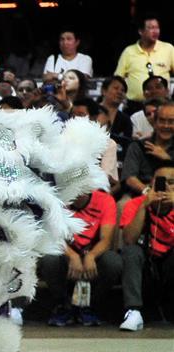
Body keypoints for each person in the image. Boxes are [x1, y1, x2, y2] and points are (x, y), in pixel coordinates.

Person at [39, 189, 121, 326]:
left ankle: (89, 306)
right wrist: (72, 255)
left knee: (113, 262)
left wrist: (91, 256)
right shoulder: (55, 200)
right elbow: (53, 238)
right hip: (66, 254)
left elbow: (106, 240)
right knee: (49, 258)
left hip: (93, 255)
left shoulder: (105, 200)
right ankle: (63, 305)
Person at [118, 161, 174, 330]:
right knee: (131, 251)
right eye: (161, 181)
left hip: (170, 267)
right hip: (145, 269)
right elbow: (129, 239)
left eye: (172, 182)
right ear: (152, 184)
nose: (166, 186)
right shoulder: (136, 204)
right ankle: (134, 312)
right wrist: (144, 206)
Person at [115, 15, 174, 109]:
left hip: (163, 105)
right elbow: (118, 78)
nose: (155, 31)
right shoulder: (129, 51)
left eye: (157, 27)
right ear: (141, 31)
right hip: (135, 105)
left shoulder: (169, 49)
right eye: (151, 28)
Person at [121, 101, 174, 197]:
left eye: (171, 122)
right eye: (161, 120)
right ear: (154, 123)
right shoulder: (137, 146)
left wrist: (167, 159)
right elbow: (129, 178)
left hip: (172, 195)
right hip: (141, 193)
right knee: (123, 205)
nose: (166, 126)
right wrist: (149, 193)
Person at [99, 76, 134, 162]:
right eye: (116, 88)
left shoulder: (126, 120)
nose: (120, 92)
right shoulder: (91, 111)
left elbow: (125, 145)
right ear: (104, 91)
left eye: (123, 90)